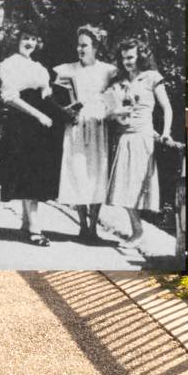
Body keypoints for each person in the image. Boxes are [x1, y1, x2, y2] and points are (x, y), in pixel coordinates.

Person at [104, 35, 175, 262]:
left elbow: (167, 108)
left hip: (143, 137)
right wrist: (116, 114)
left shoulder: (152, 78)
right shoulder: (120, 82)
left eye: (131, 57)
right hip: (125, 137)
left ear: (141, 56)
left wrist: (165, 132)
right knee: (123, 188)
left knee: (137, 187)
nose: (128, 62)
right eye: (124, 58)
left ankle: (138, 233)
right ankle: (137, 230)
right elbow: (111, 109)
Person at [0, 30, 65, 246]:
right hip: (21, 123)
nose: (29, 43)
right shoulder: (9, 64)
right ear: (17, 40)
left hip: (40, 126)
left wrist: (62, 110)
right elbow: (10, 97)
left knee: (33, 172)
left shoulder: (39, 67)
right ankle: (35, 229)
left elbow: (46, 94)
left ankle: (26, 223)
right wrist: (38, 115)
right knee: (28, 172)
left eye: (34, 39)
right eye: (26, 38)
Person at [53, 25, 118, 243]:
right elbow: (55, 96)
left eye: (85, 45)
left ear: (95, 47)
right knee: (78, 173)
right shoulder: (66, 69)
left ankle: (93, 228)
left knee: (97, 174)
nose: (80, 49)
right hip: (76, 127)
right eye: (78, 45)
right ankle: (82, 226)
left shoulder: (109, 71)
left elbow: (117, 97)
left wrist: (108, 112)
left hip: (99, 126)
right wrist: (66, 109)